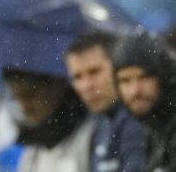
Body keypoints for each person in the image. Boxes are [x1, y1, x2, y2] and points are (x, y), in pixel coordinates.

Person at [64, 30, 145, 172]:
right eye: (77, 77)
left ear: (118, 68)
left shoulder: (140, 120)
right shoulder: (97, 123)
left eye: (94, 72)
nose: (87, 85)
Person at [2, 68, 93, 172]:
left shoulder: (90, 132)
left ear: (56, 88)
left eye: (30, 95)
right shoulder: (33, 145)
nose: (24, 107)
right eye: (16, 97)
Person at [112, 29, 176, 171]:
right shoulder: (153, 124)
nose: (135, 90)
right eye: (125, 80)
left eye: (144, 77)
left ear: (164, 76)